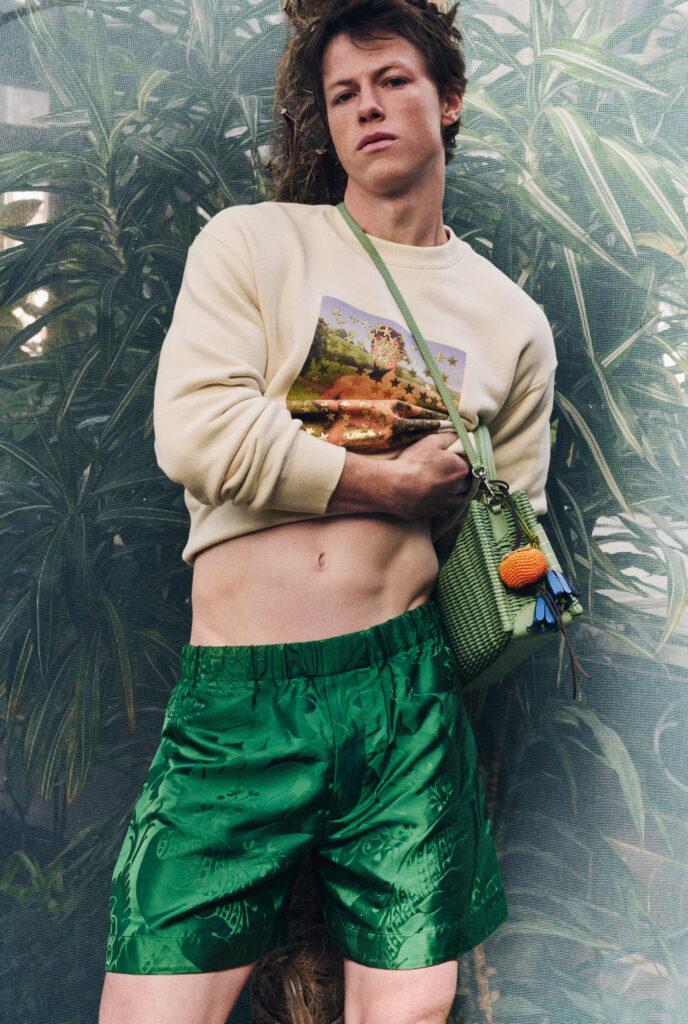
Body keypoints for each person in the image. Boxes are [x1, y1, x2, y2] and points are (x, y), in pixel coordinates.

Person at [99, 0, 556, 1021]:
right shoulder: (256, 245)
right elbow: (198, 435)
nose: (367, 107)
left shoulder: (513, 322)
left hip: (403, 694)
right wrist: (390, 486)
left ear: (448, 98)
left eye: (392, 81)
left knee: (410, 1008)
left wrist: (506, 567)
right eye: (343, 93)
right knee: (152, 1008)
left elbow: (504, 526)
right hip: (239, 695)